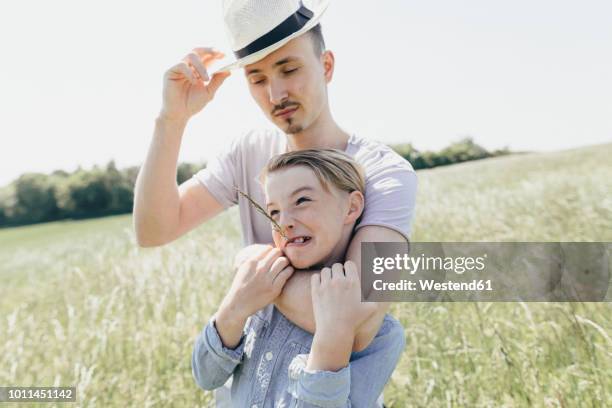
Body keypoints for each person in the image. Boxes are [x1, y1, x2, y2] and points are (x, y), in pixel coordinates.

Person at [133, 0, 417, 405]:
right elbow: (153, 230)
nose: (276, 93)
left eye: (289, 69)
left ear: (327, 66)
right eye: (257, 78)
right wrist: (171, 120)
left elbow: (354, 322)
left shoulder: (383, 172)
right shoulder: (247, 151)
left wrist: (253, 269)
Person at [192, 149, 406, 407]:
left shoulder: (382, 335)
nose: (285, 223)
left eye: (302, 200)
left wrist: (333, 335)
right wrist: (234, 308)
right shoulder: (259, 291)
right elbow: (206, 376)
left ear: (351, 207)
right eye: (273, 212)